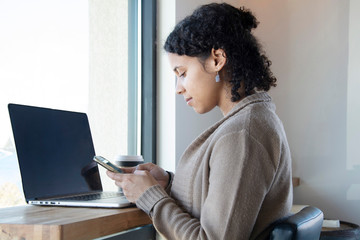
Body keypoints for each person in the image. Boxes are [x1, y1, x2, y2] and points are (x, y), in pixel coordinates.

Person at [107, 3, 293, 239]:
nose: (178, 89)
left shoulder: (242, 134)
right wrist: (168, 184)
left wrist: (151, 198)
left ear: (217, 59)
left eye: (182, 73)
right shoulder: (250, 121)